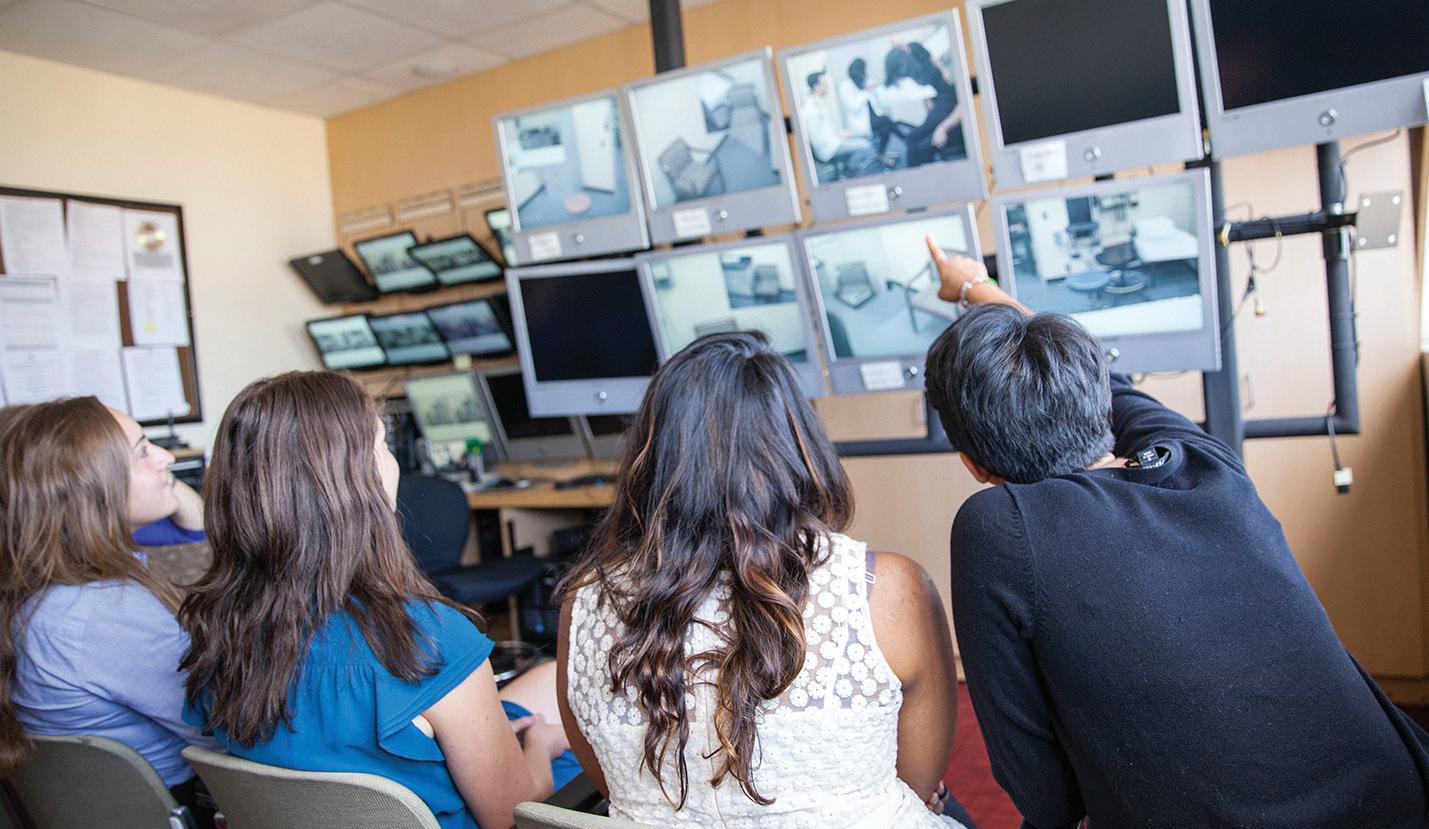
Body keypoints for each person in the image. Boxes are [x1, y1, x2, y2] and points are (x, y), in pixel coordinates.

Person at [920, 238, 1429, 828]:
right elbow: (1112, 383)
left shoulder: (997, 527)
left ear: (973, 465)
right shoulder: (1204, 464)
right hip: (1402, 799)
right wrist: (975, 285)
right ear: (1098, 401)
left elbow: (1042, 794)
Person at [557, 332, 970, 828]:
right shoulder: (891, 590)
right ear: (799, 444)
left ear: (653, 457)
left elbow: (610, 782)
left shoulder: (584, 604)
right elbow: (919, 782)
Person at [180, 371, 577, 829]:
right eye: (381, 444)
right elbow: (511, 816)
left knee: (550, 677)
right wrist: (542, 747)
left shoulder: (217, 630)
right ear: (356, 479)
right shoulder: (428, 638)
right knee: (573, 736)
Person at [0, 398, 216, 820]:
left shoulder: (43, 591)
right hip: (180, 806)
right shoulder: (102, 612)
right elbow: (224, 732)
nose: (166, 457)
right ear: (89, 485)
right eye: (142, 450)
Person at [800, 70, 884, 180]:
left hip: (833, 142)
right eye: (825, 83)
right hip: (829, 149)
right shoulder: (810, 109)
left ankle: (847, 169)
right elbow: (816, 140)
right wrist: (837, 139)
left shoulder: (818, 103)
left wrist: (838, 135)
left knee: (862, 136)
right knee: (865, 146)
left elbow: (824, 130)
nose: (827, 86)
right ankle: (848, 171)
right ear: (816, 86)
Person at [838, 57, 897, 158]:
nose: (865, 72)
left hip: (874, 117)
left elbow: (879, 102)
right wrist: (865, 91)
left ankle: (881, 154)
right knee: (886, 120)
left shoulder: (865, 82)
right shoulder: (845, 86)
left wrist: (875, 89)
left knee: (885, 129)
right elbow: (854, 107)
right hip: (860, 123)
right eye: (863, 69)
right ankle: (906, 140)